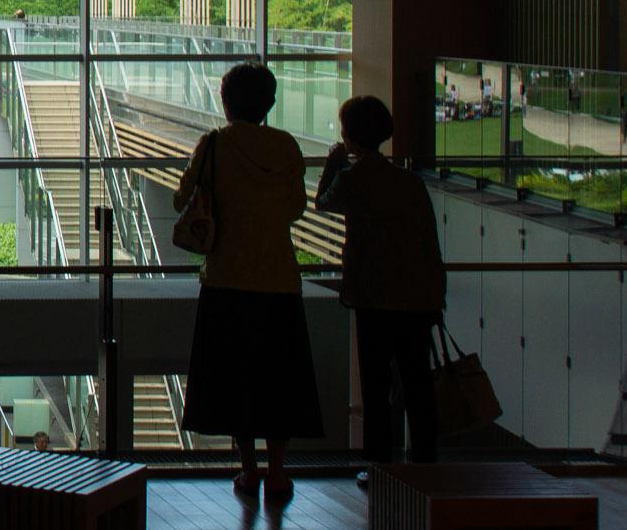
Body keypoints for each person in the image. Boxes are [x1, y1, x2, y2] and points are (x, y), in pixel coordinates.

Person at [175, 61, 319, 498]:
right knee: (279, 378)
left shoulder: (214, 145)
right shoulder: (287, 146)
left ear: (225, 101)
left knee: (235, 377)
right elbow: (295, 208)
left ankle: (249, 468)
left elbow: (183, 197)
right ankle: (278, 471)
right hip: (278, 278)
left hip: (226, 277)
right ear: (270, 103)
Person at [315, 95, 445, 479]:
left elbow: (323, 202)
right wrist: (436, 294)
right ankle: (425, 461)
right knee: (417, 380)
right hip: (416, 297)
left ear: (350, 138)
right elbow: (428, 244)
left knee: (376, 384)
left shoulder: (353, 181)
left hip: (374, 295)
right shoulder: (409, 183)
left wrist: (333, 163)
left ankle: (380, 463)